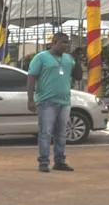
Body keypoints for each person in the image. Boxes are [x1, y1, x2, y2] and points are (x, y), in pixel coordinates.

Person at [28, 32, 75, 173]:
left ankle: (59, 161)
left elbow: (77, 75)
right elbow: (31, 77)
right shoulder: (41, 57)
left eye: (68, 42)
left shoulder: (68, 59)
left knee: (61, 133)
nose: (66, 45)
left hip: (64, 102)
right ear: (54, 42)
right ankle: (43, 162)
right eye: (63, 42)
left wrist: (76, 59)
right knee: (45, 133)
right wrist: (30, 99)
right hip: (47, 101)